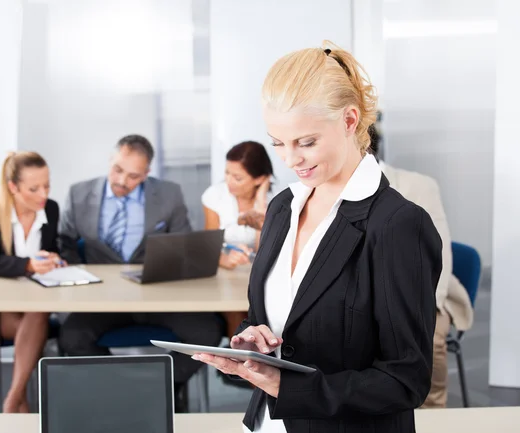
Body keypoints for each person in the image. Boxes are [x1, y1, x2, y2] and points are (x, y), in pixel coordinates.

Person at [192, 42, 443, 433]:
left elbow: (405, 380)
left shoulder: (397, 225)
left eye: (305, 142)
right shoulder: (282, 209)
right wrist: (250, 339)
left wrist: (290, 387)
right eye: (278, 143)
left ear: (349, 121)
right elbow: (273, 320)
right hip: (266, 425)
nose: (290, 160)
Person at [57, 134, 223, 412]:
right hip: (102, 299)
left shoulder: (169, 194)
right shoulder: (78, 194)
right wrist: (79, 273)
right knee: (72, 337)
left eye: (133, 176)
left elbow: (183, 246)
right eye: (118, 170)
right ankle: (123, 392)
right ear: (111, 160)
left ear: (146, 174)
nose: (122, 181)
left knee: (208, 331)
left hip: (157, 295)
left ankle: (158, 389)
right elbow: (64, 241)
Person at [368, 124, 474, 408]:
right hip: (364, 297)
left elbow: (440, 253)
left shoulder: (417, 185)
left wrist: (426, 306)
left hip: (422, 294)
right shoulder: (323, 191)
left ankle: (432, 410)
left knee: (429, 340)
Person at [0, 151, 63, 413]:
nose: (43, 194)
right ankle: (16, 401)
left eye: (47, 185)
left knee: (37, 311)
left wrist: (56, 258)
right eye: (34, 188)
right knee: (37, 316)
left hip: (34, 305)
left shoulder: (51, 210)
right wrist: (26, 265)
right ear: (13, 187)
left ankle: (13, 400)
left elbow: (57, 248)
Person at [203, 140, 274, 271]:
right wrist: (225, 259)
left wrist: (260, 205)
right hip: (224, 271)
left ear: (259, 179)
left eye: (237, 178)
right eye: (227, 173)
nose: (228, 181)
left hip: (257, 273)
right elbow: (209, 247)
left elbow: (264, 253)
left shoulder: (276, 202)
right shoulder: (214, 195)